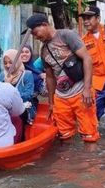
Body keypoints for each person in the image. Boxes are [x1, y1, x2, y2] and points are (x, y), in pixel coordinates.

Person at [24, 14, 100, 142]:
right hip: (61, 97)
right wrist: (51, 103)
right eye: (33, 35)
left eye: (36, 33)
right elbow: (50, 77)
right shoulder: (44, 51)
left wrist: (87, 89)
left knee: (90, 135)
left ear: (44, 25)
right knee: (64, 136)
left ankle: (90, 160)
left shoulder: (66, 36)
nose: (36, 37)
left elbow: (87, 58)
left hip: (80, 92)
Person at [0, 48, 36, 125]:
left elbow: (28, 95)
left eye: (10, 62)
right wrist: (6, 84)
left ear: (17, 61)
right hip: (6, 106)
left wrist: (8, 87)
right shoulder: (2, 75)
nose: (8, 66)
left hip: (23, 107)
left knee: (16, 117)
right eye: (5, 63)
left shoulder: (27, 75)